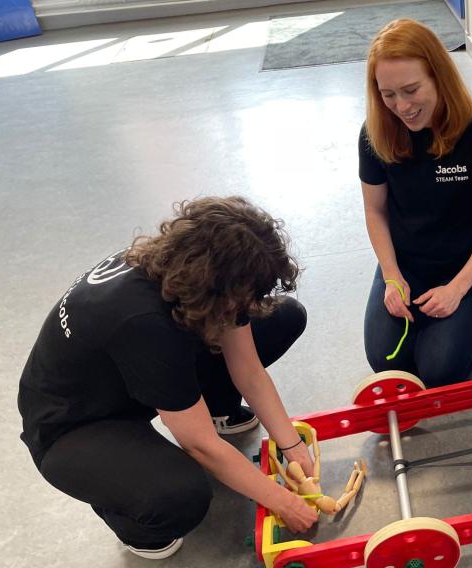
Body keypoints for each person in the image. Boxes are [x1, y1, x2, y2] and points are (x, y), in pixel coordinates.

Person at [17, 196, 318, 560]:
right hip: (71, 426)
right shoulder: (144, 324)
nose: (248, 304)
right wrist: (282, 501)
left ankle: (217, 409)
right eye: (243, 295)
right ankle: (125, 509)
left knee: (280, 318)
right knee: (181, 494)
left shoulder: (186, 269)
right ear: (218, 285)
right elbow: (199, 446)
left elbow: (249, 371)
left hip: (125, 379)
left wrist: (291, 446)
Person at [359, 19, 472, 387]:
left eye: (411, 89)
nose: (401, 106)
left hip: (466, 266)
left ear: (439, 76)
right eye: (388, 94)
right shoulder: (375, 133)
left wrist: (458, 288)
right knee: (386, 362)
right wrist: (390, 276)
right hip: (405, 266)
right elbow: (375, 210)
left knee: (439, 371)